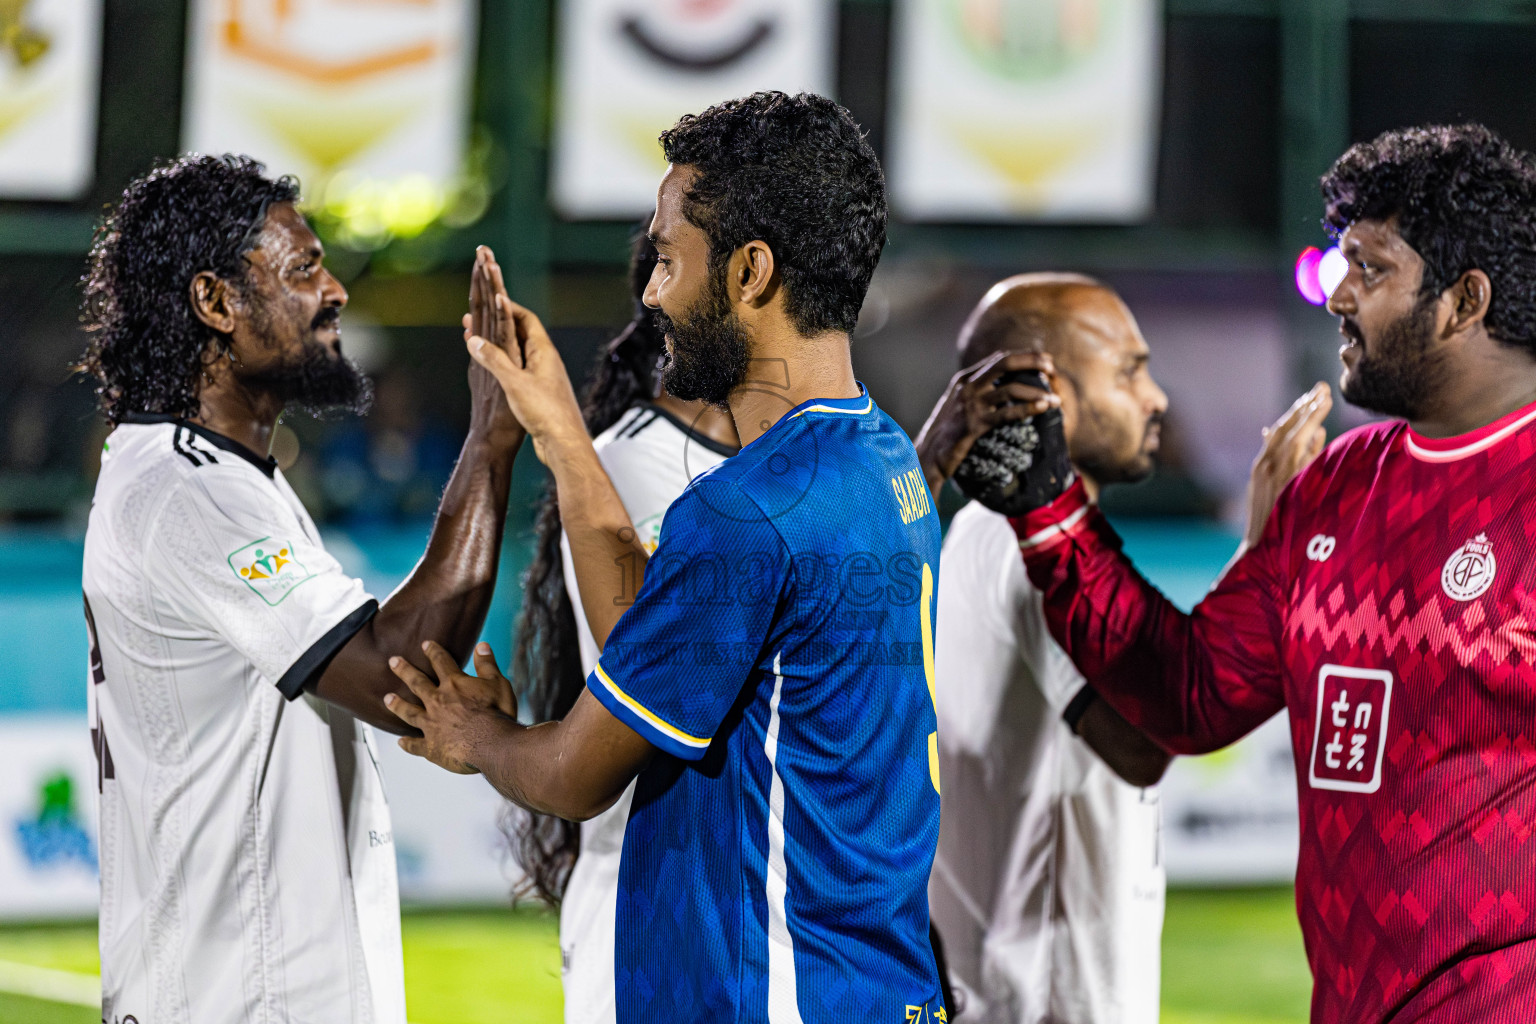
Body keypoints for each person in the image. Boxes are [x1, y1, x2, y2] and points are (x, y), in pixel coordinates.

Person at [383, 91, 949, 1023]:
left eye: (669, 258)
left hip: (766, 996)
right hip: (869, 988)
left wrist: (476, 736)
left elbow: (576, 773)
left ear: (751, 271)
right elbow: (677, 627)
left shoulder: (748, 510)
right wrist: (564, 432)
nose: (651, 294)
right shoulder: (881, 458)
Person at [969, 124, 1536, 1023]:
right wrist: (1052, 517)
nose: (1336, 292)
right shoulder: (1335, 488)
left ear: (1465, 301)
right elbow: (1192, 695)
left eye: (1371, 269)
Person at [77, 154, 524, 1024]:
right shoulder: (188, 490)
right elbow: (397, 675)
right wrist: (491, 440)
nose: (336, 292)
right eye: (304, 268)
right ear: (217, 303)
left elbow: (385, 674)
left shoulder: (220, 476)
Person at [913, 274, 1330, 1023]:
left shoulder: (1017, 536)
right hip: (1033, 1004)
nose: (1157, 397)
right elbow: (1148, 735)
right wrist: (1262, 552)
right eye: (1130, 370)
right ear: (1045, 391)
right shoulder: (1017, 537)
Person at [508, 221, 739, 1023]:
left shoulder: (776, 466)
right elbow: (650, 659)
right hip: (654, 903)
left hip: (736, 910)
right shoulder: (632, 460)